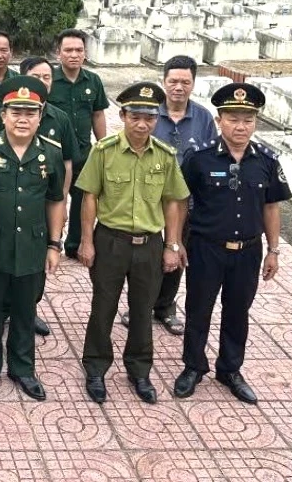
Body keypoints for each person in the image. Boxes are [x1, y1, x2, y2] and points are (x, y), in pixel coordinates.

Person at [173, 83, 290, 406]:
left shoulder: (265, 161)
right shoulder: (199, 157)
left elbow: (271, 207)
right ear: (219, 120)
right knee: (199, 310)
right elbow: (181, 201)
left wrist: (274, 250)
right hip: (206, 247)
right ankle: (193, 367)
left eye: (248, 120)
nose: (241, 127)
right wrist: (175, 243)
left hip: (248, 251)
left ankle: (230, 369)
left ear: (256, 122)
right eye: (233, 119)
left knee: (238, 311)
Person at [75, 82, 189, 405]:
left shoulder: (165, 156)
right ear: (123, 115)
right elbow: (90, 197)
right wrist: (86, 241)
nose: (142, 124)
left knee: (143, 309)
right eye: (136, 116)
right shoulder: (105, 151)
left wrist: (173, 244)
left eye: (150, 118)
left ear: (157, 120)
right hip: (111, 240)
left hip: (150, 244)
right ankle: (96, 368)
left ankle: (139, 370)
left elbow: (172, 202)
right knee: (103, 306)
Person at [0, 76, 66, 402]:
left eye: (30, 112)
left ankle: (23, 368)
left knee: (25, 310)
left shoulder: (50, 154)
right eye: (15, 112)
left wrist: (54, 244)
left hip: (32, 248)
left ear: (41, 114)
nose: (22, 119)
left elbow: (55, 200)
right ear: (3, 114)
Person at [119, 55, 218, 336]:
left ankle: (165, 306)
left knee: (176, 253)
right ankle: (140, 304)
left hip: (186, 202)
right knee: (145, 257)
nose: (178, 87)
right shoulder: (149, 112)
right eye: (173, 81)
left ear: (193, 84)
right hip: (146, 200)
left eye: (185, 82)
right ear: (164, 82)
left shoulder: (203, 118)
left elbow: (209, 159)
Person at [0, 56, 80, 337]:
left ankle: (27, 311)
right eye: (36, 76)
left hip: (40, 207)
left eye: (46, 77)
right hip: (3, 214)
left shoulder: (59, 121)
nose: (42, 81)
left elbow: (65, 163)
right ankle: (6, 311)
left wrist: (63, 202)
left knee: (34, 267)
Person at [47, 29, 110, 258]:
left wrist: (103, 146)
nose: (74, 55)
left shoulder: (93, 80)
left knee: (82, 202)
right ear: (58, 52)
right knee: (53, 199)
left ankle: (74, 244)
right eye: (68, 50)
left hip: (84, 155)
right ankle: (51, 241)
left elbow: (97, 114)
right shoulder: (49, 81)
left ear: (85, 53)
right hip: (55, 156)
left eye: (79, 50)